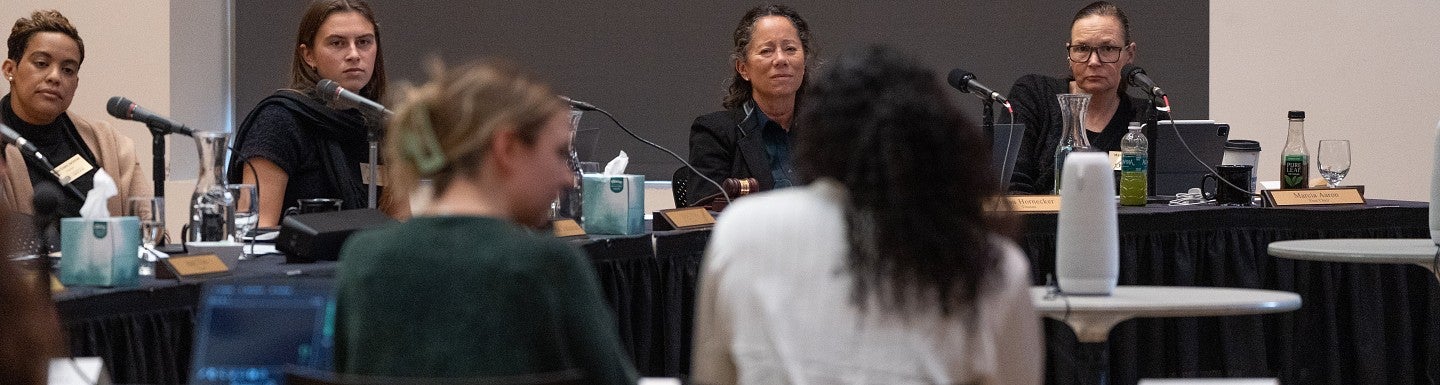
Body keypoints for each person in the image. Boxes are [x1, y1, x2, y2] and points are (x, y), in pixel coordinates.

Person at [691, 45, 1043, 384]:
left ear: (816, 133)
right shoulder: (992, 263)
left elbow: (713, 375)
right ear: (938, 139)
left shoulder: (742, 231)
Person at [332, 60, 638, 384]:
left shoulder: (363, 258)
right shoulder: (548, 265)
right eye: (561, 153)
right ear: (507, 148)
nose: (569, 178)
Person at [228, 0, 404, 227]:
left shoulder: (381, 122)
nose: (354, 54)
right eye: (337, 43)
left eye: (363, 42)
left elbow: (400, 222)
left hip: (367, 259)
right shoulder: (280, 121)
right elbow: (258, 230)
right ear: (308, 55)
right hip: (295, 261)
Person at [2, 9, 149, 217]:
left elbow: (147, 223)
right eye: (41, 64)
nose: (55, 77)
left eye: (68, 70)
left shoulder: (108, 142)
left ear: (76, 84)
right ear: (10, 70)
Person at [1007, 1, 1147, 194]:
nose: (1094, 61)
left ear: (1129, 54)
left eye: (1107, 49)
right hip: (1040, 223)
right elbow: (1012, 187)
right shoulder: (1033, 95)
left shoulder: (1145, 117)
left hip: (1120, 224)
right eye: (1082, 49)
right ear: (1069, 53)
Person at [685, 4, 813, 205]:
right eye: (766, 51)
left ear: (804, 64)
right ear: (743, 68)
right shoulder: (715, 133)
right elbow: (705, 214)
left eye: (790, 49)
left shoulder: (826, 133)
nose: (780, 59)